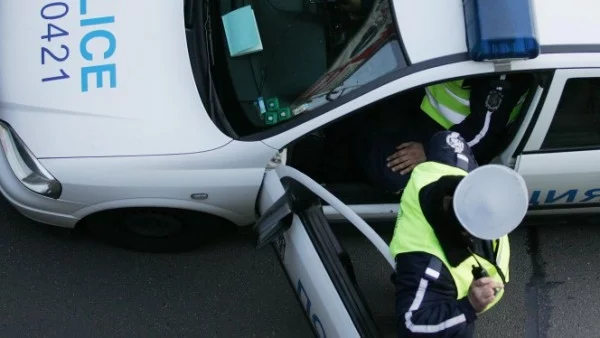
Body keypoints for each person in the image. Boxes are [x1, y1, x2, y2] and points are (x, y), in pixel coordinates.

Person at [389, 130, 529, 337]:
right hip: (438, 288)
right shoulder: (427, 265)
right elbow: (411, 325)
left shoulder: (448, 167)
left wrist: (423, 150)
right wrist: (468, 307)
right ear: (467, 232)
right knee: (459, 330)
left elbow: (447, 137)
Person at [356, 73, 532, 194]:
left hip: (454, 136)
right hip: (425, 107)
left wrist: (429, 151)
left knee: (388, 172)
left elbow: (482, 133)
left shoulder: (500, 70)